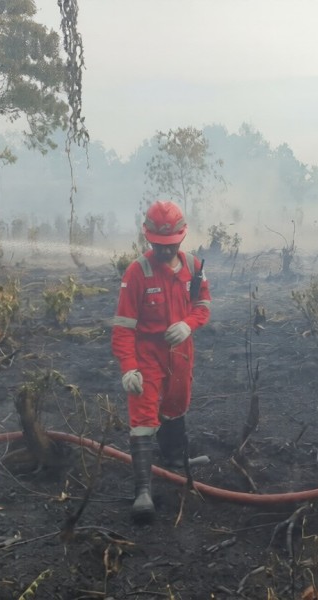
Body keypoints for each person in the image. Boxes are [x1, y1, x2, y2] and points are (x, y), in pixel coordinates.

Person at [112, 200, 211, 521]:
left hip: (181, 352)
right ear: (148, 239)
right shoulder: (137, 272)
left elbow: (203, 305)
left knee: (176, 403)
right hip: (147, 355)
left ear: (182, 237)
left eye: (171, 244)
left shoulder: (194, 267)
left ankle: (173, 459)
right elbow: (123, 327)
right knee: (143, 415)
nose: (165, 250)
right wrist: (129, 367)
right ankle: (142, 490)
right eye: (158, 245)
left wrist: (189, 324)